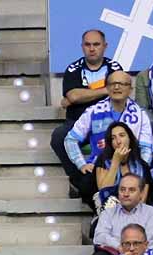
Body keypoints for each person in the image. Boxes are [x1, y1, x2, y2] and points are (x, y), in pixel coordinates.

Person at [65, 70, 151, 206]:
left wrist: (140, 169)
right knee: (87, 183)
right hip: (100, 169)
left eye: (122, 84)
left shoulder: (140, 115)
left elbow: (146, 148)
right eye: (113, 84)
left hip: (131, 168)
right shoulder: (93, 111)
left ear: (130, 89)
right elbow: (70, 140)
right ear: (107, 87)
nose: (117, 87)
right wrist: (81, 164)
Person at [52, 30, 123, 192]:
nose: (92, 48)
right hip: (77, 123)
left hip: (107, 122)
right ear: (82, 47)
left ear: (105, 46)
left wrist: (81, 94)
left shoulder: (114, 67)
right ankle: (78, 180)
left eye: (96, 44)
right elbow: (74, 96)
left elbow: (119, 94)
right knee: (58, 136)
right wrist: (105, 89)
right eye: (88, 44)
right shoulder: (73, 68)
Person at [92, 122, 150, 210]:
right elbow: (104, 193)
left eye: (122, 136)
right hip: (109, 211)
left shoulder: (142, 166)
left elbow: (142, 199)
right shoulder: (103, 161)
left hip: (135, 213)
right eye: (113, 138)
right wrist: (115, 162)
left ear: (129, 138)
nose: (118, 141)